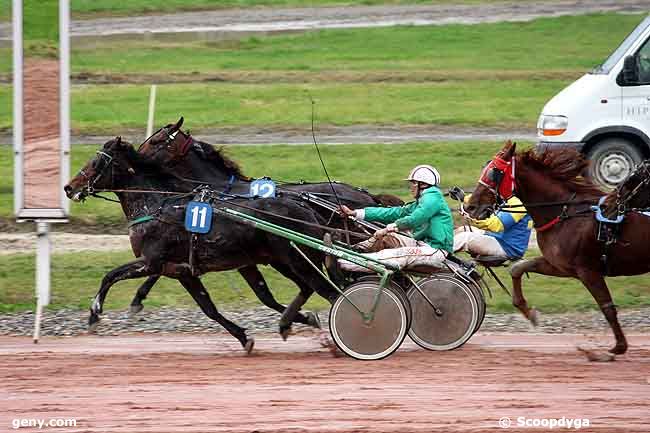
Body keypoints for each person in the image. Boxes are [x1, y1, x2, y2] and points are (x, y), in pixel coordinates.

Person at [337, 164, 454, 272]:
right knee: (388, 238)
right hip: (423, 245)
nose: (411, 187)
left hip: (434, 251)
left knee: (390, 255)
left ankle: (342, 262)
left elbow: (415, 219)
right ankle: (355, 250)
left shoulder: (432, 198)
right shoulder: (424, 200)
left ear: (422, 184)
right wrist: (356, 213)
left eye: (413, 183)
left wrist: (392, 227)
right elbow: (392, 212)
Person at [453, 193, 532, 259]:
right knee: (463, 229)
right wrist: (465, 198)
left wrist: (471, 219)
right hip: (498, 239)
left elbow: (494, 226)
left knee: (464, 238)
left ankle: (441, 255)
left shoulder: (519, 204)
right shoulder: (515, 198)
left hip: (507, 248)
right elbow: (489, 197)